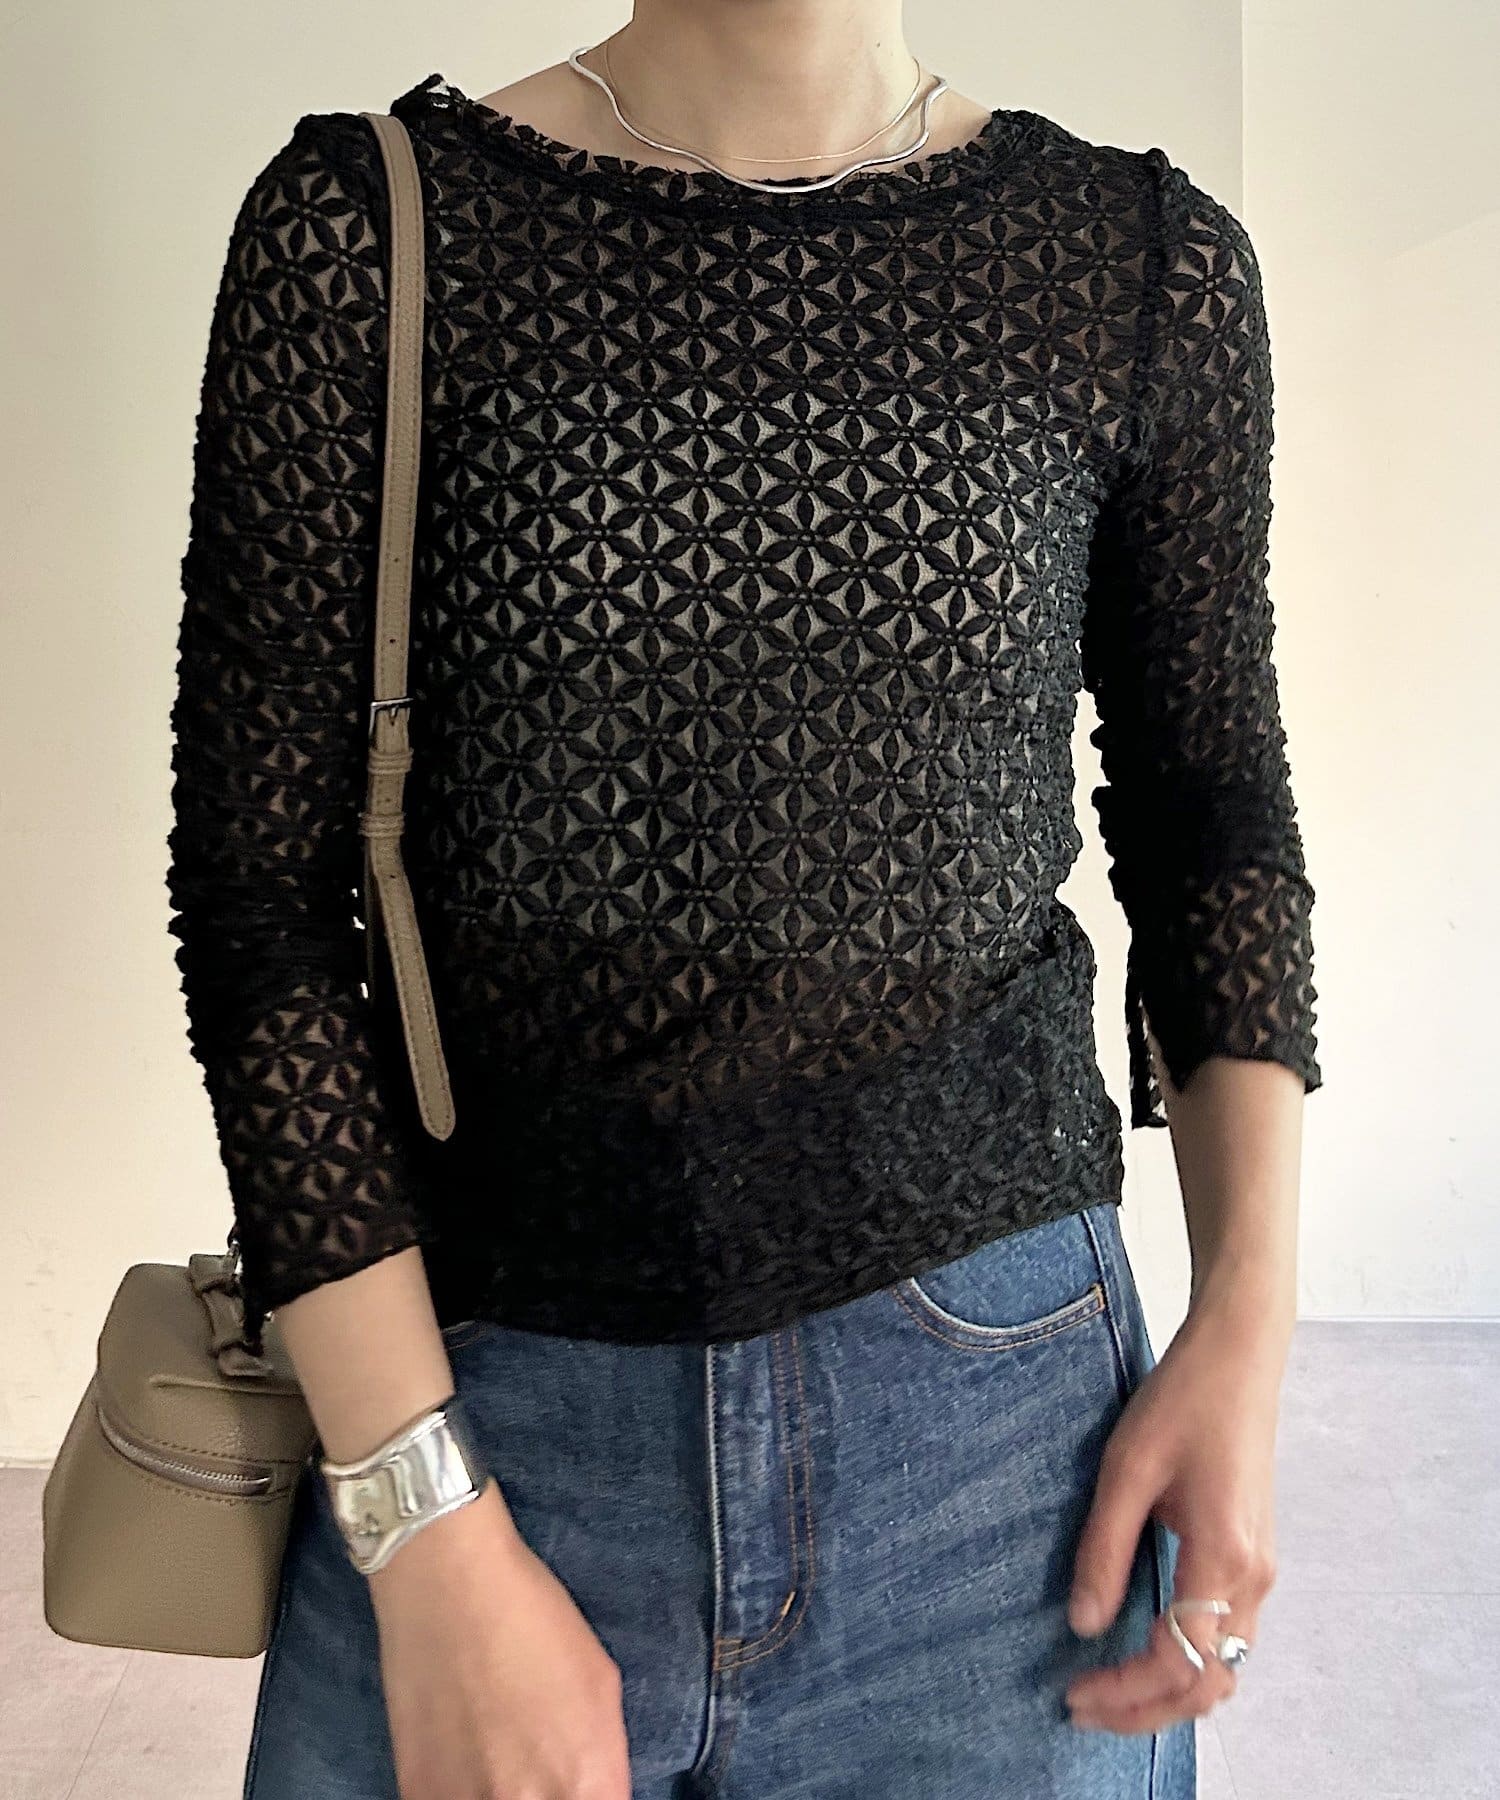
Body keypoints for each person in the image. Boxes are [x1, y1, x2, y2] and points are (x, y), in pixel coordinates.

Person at [165, 3, 1322, 1795]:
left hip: (1003, 1447)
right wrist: (418, 1514)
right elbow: (257, 897)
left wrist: (1245, 1327)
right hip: (479, 1398)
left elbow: (1210, 820)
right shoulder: (371, 228)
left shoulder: (1142, 263)